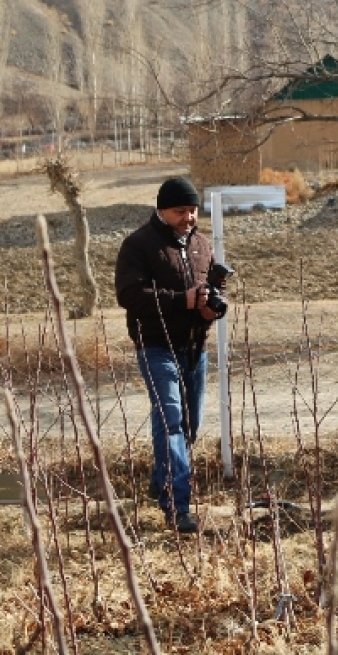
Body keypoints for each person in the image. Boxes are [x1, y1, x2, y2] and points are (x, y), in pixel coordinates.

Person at [115, 177, 221, 534]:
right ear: (161, 209)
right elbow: (130, 294)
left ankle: (160, 477)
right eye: (181, 211)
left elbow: (211, 291)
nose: (188, 218)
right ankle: (178, 506)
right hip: (156, 347)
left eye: (192, 211)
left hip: (195, 347)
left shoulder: (202, 245)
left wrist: (209, 309)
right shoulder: (138, 246)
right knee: (172, 419)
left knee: (189, 426)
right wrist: (181, 301)